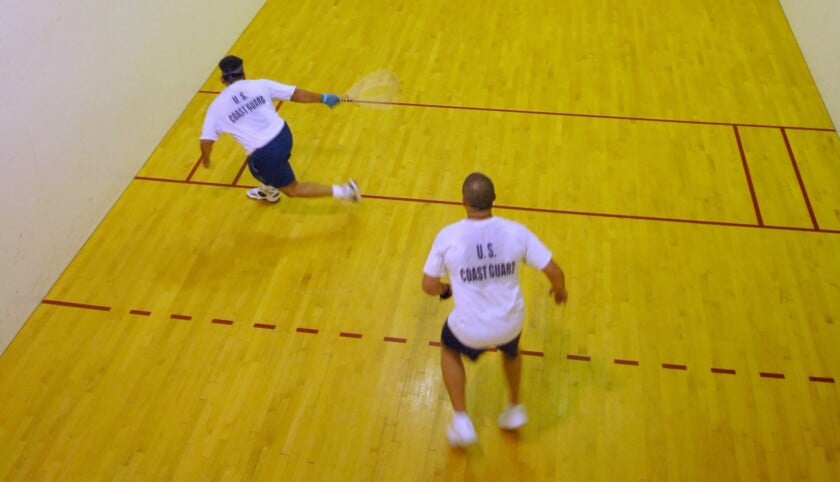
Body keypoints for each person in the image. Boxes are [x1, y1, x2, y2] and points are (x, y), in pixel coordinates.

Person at [421, 172, 568, 447]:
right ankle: (514, 409)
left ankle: (462, 421)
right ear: (494, 200)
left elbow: (428, 285)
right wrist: (560, 292)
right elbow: (555, 271)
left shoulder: (448, 236)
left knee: (449, 348)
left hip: (469, 328)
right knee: (511, 350)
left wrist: (446, 290)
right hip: (510, 322)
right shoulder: (516, 231)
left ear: (463, 201)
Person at [199, 55, 360, 203]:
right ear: (244, 74)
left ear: (222, 79)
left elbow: (206, 141)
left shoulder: (216, 107)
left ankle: (346, 191)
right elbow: (298, 94)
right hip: (284, 135)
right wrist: (324, 98)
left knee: (291, 188)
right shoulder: (260, 85)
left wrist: (206, 159)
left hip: (265, 153)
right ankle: (270, 186)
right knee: (261, 166)